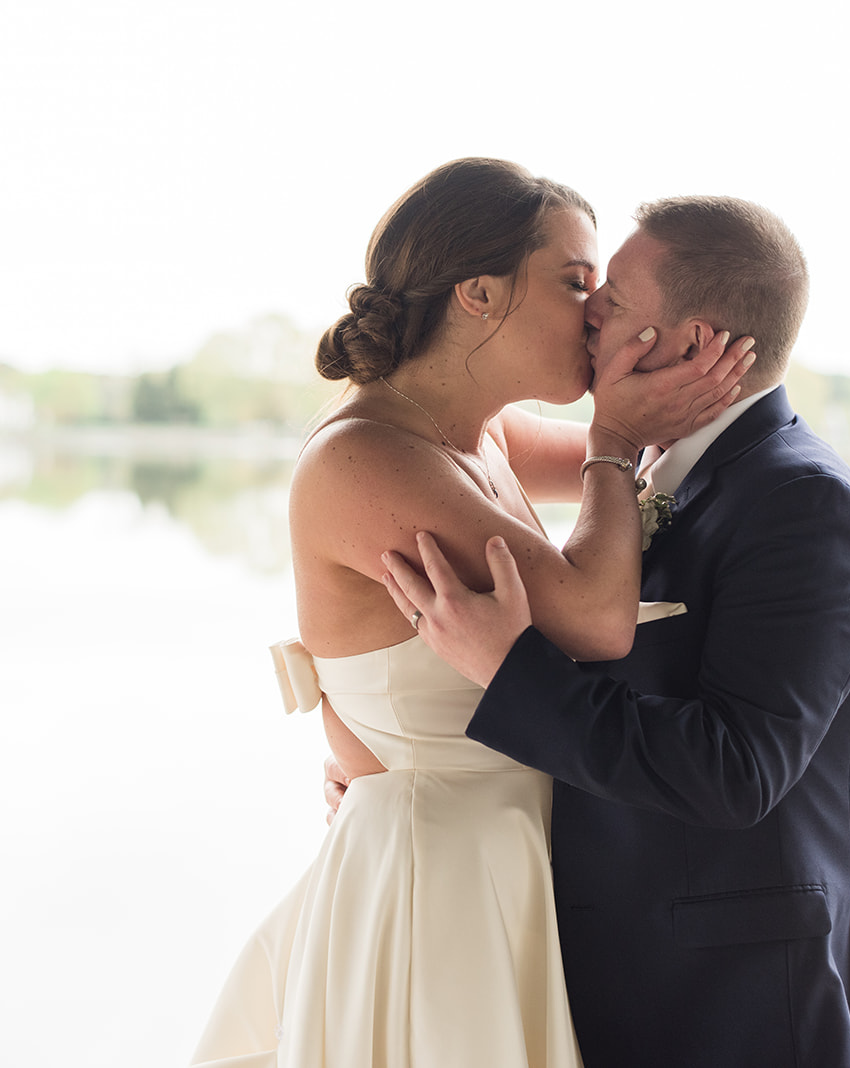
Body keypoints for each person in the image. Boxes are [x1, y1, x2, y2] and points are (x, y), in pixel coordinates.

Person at [189, 160, 753, 1067]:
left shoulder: (479, 434)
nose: (598, 312)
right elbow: (595, 616)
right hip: (436, 884)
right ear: (479, 294)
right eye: (576, 284)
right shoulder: (367, 456)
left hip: (503, 860)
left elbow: (647, 467)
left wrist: (679, 379)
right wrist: (612, 434)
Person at [380, 196, 850, 1068]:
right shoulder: (645, 469)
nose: (589, 315)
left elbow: (736, 772)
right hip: (619, 974)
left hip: (746, 1004)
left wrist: (510, 671)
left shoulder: (802, 504)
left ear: (690, 345)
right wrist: (397, 770)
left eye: (611, 300)